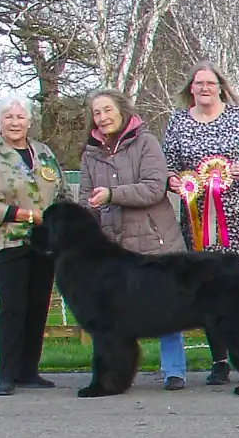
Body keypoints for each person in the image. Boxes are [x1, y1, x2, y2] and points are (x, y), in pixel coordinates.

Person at [161, 62, 239, 386]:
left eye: (210, 83)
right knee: (209, 290)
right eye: (199, 84)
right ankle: (220, 361)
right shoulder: (178, 121)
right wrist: (175, 181)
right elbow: (168, 165)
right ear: (191, 88)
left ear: (220, 87)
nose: (205, 88)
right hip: (200, 220)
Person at [80, 90, 193, 390]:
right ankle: (116, 373)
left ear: (122, 110)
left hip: (156, 241)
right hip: (113, 247)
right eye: (97, 113)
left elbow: (154, 188)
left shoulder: (146, 142)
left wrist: (112, 195)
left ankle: (174, 371)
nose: (102, 117)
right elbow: (85, 199)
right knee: (113, 314)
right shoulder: (90, 153)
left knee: (166, 307)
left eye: (107, 110)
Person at [0, 94, 71, 396]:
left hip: (43, 241)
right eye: (8, 117)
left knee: (38, 306)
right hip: (8, 240)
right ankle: (7, 373)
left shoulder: (44, 152)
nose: (15, 122)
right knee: (13, 307)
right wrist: (20, 214)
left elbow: (61, 192)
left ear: (29, 120)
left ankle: (29, 370)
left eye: (20, 117)